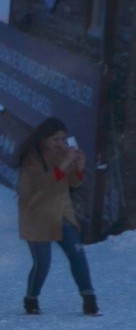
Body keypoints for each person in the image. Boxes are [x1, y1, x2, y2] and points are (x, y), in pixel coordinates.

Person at [16, 117, 99, 316]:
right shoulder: (32, 158)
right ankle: (31, 298)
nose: (60, 144)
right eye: (56, 140)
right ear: (44, 139)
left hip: (62, 213)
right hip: (37, 216)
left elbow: (73, 183)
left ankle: (89, 299)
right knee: (43, 263)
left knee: (77, 255)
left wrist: (79, 167)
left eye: (63, 140)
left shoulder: (62, 154)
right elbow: (39, 186)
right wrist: (63, 165)